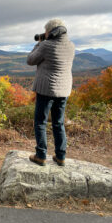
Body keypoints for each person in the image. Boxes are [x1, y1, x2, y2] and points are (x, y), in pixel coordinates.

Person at [26, 18, 75, 167]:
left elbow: (30, 60)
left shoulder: (46, 45)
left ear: (51, 32)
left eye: (46, 31)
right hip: (63, 89)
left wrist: (39, 43)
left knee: (40, 122)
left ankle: (41, 155)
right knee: (58, 123)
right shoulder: (71, 46)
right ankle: (60, 156)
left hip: (46, 89)